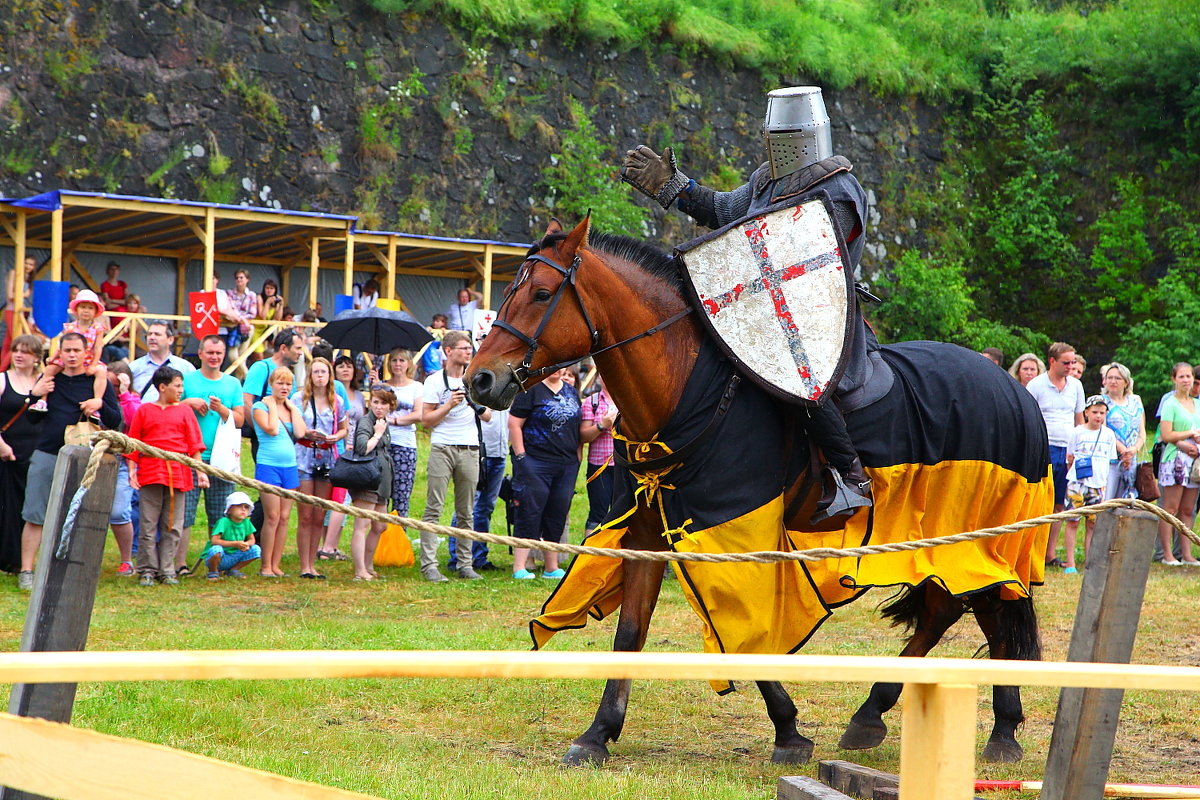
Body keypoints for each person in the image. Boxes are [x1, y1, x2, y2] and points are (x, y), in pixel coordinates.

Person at [621, 85, 871, 523]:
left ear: (809, 136)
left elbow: (808, 253)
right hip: (761, 312)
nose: (778, 146)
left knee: (798, 376)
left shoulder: (839, 187)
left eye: (786, 137)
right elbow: (722, 210)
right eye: (772, 136)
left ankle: (850, 476)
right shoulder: (765, 180)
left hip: (815, 317)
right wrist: (672, 187)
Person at [18, 333, 123, 590]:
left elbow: (116, 419)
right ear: (60, 353)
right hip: (48, 452)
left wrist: (99, 403)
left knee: (78, 513)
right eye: (67, 350)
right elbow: (31, 420)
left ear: (86, 352)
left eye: (77, 350)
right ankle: (27, 571)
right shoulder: (51, 378)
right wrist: (35, 395)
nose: (72, 355)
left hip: (83, 455)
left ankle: (72, 570)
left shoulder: (97, 380)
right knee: (35, 514)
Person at [418, 329, 491, 582]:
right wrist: (448, 405)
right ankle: (429, 565)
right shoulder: (434, 381)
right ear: (448, 351)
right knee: (433, 508)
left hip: (470, 449)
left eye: (469, 347)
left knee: (466, 511)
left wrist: (473, 402)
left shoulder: (476, 379)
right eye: (462, 347)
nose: (468, 351)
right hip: (443, 447)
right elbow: (426, 420)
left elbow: (489, 415)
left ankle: (465, 564)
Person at [126, 365, 208, 587]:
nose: (181, 390)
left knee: (173, 524)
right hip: (151, 473)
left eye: (182, 385)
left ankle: (167, 569)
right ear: (162, 387)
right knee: (148, 523)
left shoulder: (184, 412)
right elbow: (133, 443)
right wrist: (132, 471)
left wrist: (201, 472)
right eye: (177, 385)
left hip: (178, 474)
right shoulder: (144, 411)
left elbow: (194, 447)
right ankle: (147, 569)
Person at [178, 335, 244, 576]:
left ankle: (219, 565)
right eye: (210, 353)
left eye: (219, 353)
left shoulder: (233, 384)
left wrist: (222, 410)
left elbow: (240, 420)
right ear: (201, 353)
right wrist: (189, 402)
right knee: (185, 513)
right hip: (191, 454)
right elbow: (171, 408)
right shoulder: (188, 380)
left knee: (221, 514)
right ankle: (180, 564)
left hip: (222, 457)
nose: (215, 357)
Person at [509, 367, 580, 580]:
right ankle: (519, 566)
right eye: (555, 367)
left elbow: (577, 427)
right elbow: (514, 424)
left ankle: (551, 566)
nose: (559, 371)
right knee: (530, 510)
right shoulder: (530, 390)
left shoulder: (571, 391)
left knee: (557, 511)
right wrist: (521, 457)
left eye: (563, 368)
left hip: (566, 463)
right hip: (535, 461)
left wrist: (577, 459)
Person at [1024, 342, 1084, 568]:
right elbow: (1030, 420)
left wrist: (1077, 452)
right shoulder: (1036, 385)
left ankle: (1049, 554)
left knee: (1059, 503)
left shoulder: (1076, 386)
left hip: (1067, 450)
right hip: (1043, 447)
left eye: (1073, 362)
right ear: (1052, 361)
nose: (1070, 366)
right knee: (1039, 501)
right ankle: (1032, 551)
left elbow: (1079, 420)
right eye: (1065, 362)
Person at [292, 356, 346, 579]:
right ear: (310, 375)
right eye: (316, 372)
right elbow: (294, 427)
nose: (320, 376)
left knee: (318, 514)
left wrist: (335, 437)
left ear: (329, 375)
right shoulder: (298, 399)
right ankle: (304, 564)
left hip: (327, 459)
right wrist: (306, 433)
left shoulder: (337, 401)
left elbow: (345, 428)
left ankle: (312, 563)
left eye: (324, 372)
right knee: (305, 514)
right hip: (304, 457)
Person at [252, 366, 307, 577]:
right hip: (268, 465)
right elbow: (272, 429)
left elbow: (301, 433)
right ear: (271, 385)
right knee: (272, 516)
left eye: (288, 384)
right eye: (280, 383)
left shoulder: (293, 408)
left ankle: (276, 564)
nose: (284, 387)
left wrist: (292, 408)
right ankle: (265, 565)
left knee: (284, 517)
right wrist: (273, 405)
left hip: (290, 467)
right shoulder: (260, 406)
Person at [0, 335, 44, 576]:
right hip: (6, 452)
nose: (19, 355)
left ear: (36, 357)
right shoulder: (2, 380)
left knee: (28, 510)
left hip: (34, 453)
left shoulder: (45, 381)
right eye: (16, 350)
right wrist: (2, 447)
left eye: (25, 352)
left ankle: (20, 561)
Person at [1062, 396, 1119, 573]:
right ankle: (1070, 562)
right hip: (1078, 483)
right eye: (1095, 412)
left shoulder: (1109, 434)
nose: (1098, 416)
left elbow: (1110, 459)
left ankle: (1090, 561)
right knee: (1072, 521)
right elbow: (1069, 457)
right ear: (1086, 412)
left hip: (1098, 483)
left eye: (1102, 413)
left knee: (1093, 524)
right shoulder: (1077, 432)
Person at [1153, 362, 1200, 566]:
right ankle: (1167, 553)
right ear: (1174, 379)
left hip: (1194, 461)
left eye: (1188, 376)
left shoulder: (1197, 404)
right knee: (1170, 507)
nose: (1186, 380)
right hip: (1174, 460)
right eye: (1181, 376)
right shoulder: (1170, 404)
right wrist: (1188, 436)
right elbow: (1166, 434)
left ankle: (1187, 553)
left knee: (1188, 508)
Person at [36, 289, 109, 415]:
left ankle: (96, 401)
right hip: (69, 359)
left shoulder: (98, 328)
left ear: (95, 311)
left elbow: (98, 348)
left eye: (90, 308)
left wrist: (93, 364)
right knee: (50, 370)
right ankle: (43, 400)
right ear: (77, 310)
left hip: (89, 359)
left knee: (101, 372)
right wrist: (53, 357)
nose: (86, 311)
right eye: (83, 307)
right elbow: (62, 346)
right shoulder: (70, 327)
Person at [319, 356, 364, 562]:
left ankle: (331, 545)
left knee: (341, 497)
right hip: (338, 447)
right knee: (338, 498)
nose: (345, 370)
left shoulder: (360, 395)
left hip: (356, 449)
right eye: (341, 366)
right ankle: (327, 545)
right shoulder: (335, 389)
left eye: (349, 366)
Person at [349, 387, 396, 581]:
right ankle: (360, 570)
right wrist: (377, 435)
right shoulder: (367, 423)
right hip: (367, 479)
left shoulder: (382, 423)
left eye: (383, 403)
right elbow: (362, 448)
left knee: (379, 526)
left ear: (390, 406)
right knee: (362, 524)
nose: (379, 407)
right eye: (376, 402)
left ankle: (368, 566)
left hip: (382, 482)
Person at [242, 329, 304, 459]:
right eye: (297, 348)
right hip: (265, 438)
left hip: (285, 440)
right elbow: (247, 402)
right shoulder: (261, 368)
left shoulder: (290, 374)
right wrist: (259, 431)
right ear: (283, 348)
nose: (300, 353)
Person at [382, 349, 423, 525]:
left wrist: (394, 420)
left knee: (401, 496)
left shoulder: (416, 387)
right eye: (394, 360)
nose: (398, 364)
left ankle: (398, 540)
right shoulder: (383, 385)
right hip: (383, 444)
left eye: (402, 360)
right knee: (381, 496)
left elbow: (418, 414)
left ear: (408, 364)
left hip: (405, 445)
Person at [1099, 362, 1145, 501]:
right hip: (1111, 459)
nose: (1113, 381)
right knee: (1106, 501)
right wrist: (1123, 451)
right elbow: (1104, 430)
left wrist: (1133, 450)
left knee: (1126, 504)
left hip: (1132, 460)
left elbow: (1142, 431)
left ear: (1126, 382)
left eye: (1117, 378)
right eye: (1110, 377)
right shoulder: (1102, 401)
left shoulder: (1135, 400)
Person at [579, 376, 618, 536]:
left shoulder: (627, 398)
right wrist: (602, 425)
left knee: (622, 514)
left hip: (624, 467)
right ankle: (592, 557)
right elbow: (583, 436)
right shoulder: (592, 401)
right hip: (599, 466)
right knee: (598, 514)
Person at [130, 320, 195, 402]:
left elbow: (192, 397)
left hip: (174, 414)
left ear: (170, 340)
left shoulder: (186, 367)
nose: (152, 337)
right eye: (149, 334)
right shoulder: (133, 367)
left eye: (157, 334)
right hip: (142, 413)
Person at [201, 491, 261, 580]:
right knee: (216, 549)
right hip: (222, 555)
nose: (243, 509)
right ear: (229, 510)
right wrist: (235, 544)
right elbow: (214, 541)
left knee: (256, 549)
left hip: (236, 553)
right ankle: (213, 571)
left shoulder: (246, 522)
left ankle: (233, 570)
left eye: (246, 507)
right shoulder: (223, 522)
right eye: (239, 506)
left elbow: (252, 539)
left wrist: (247, 544)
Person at [220, 269, 259, 376]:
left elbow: (253, 313)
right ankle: (248, 377)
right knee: (233, 355)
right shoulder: (229, 293)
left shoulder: (252, 295)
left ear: (247, 280)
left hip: (247, 329)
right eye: (237, 278)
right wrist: (241, 319)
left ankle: (239, 384)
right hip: (233, 328)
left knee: (242, 356)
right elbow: (230, 309)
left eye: (241, 278)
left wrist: (238, 318)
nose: (239, 280)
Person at [253, 279, 283, 362]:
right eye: (267, 288)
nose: (269, 290)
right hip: (256, 330)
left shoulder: (275, 301)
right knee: (259, 356)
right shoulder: (259, 297)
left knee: (272, 353)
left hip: (266, 331)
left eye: (272, 288)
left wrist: (280, 305)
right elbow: (262, 316)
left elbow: (278, 318)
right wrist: (267, 303)